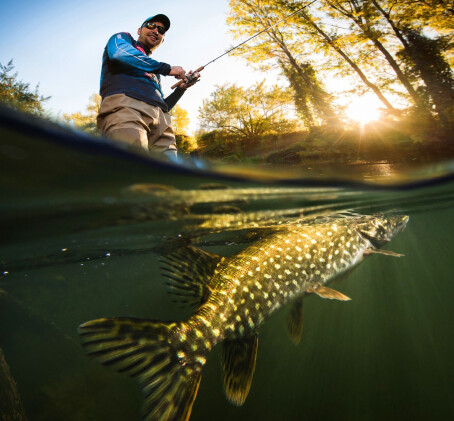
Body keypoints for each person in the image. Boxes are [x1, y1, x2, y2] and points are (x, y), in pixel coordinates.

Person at [97, 14, 199, 158]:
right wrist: (166, 68)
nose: (156, 31)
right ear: (139, 30)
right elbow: (119, 53)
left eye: (161, 30)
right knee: (132, 167)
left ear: (162, 40)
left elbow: (163, 105)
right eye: (151, 25)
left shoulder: (155, 72)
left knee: (168, 176)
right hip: (127, 108)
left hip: (163, 123)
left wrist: (181, 89)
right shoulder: (123, 38)